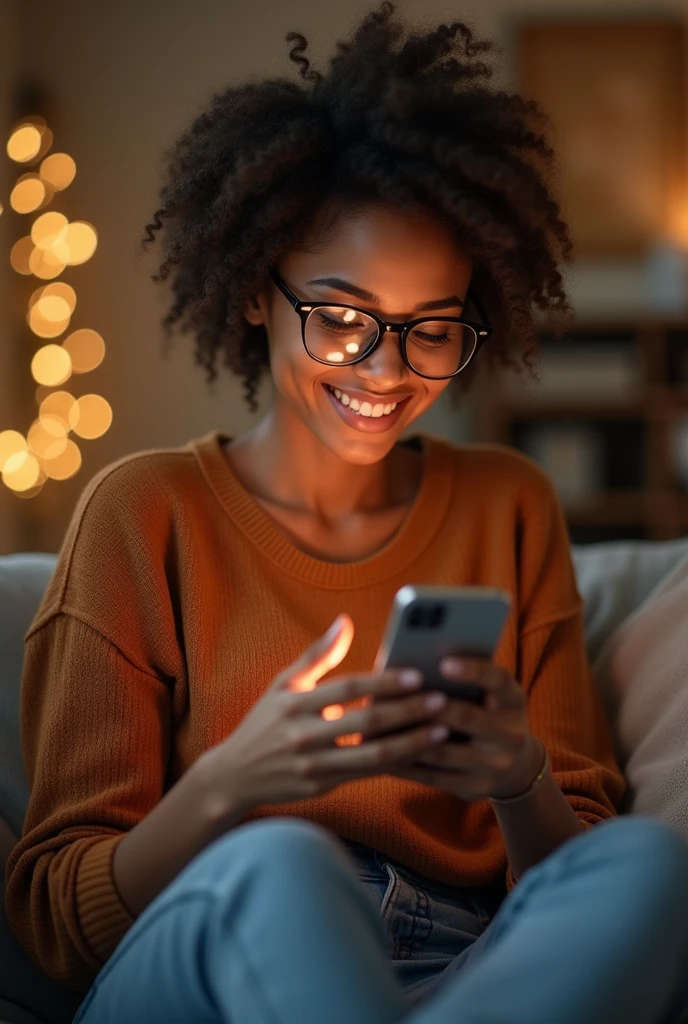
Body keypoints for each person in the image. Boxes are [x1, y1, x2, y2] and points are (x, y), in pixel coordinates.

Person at [5, 5, 688, 1023]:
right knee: (282, 863)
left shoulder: (508, 503)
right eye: (341, 317)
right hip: (216, 947)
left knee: (646, 863)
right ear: (252, 291)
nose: (384, 370)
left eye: (429, 330)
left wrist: (517, 778)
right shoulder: (144, 513)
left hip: (465, 965)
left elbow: (567, 874)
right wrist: (231, 784)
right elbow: (56, 920)